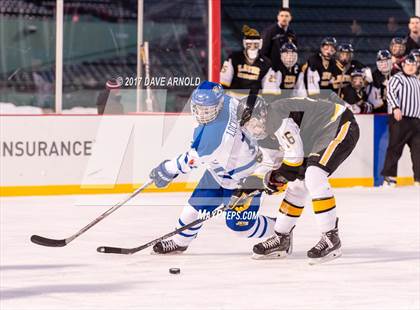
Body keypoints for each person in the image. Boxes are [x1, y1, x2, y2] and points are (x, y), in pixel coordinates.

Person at [149, 81, 276, 254]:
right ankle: (180, 241)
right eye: (200, 108)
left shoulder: (217, 136)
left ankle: (280, 231)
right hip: (218, 173)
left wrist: (167, 169)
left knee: (240, 226)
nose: (203, 114)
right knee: (192, 211)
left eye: (208, 110)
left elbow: (191, 160)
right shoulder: (228, 100)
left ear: (219, 104)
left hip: (244, 180)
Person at [235, 95, 359, 264]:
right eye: (248, 126)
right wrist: (247, 188)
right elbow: (269, 164)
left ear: (263, 113)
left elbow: (293, 162)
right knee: (296, 186)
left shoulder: (277, 116)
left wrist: (275, 178)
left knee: (314, 175)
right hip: (312, 137)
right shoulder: (264, 134)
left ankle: (331, 238)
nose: (254, 129)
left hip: (338, 124)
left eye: (254, 122)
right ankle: (281, 238)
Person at [381, 54, 420, 187]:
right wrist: (396, 107)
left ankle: (418, 179)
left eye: (413, 65)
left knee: (418, 151)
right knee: (395, 148)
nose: (411, 67)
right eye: (408, 65)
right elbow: (390, 93)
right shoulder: (397, 78)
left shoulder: (417, 80)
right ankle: (389, 178)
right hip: (400, 119)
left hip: (416, 121)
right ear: (403, 65)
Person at [220, 25, 280, 99]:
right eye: (249, 44)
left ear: (260, 44)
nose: (252, 46)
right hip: (233, 98)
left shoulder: (266, 62)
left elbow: (270, 88)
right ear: (245, 43)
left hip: (255, 100)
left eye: (255, 44)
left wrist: (266, 102)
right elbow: (224, 80)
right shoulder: (234, 58)